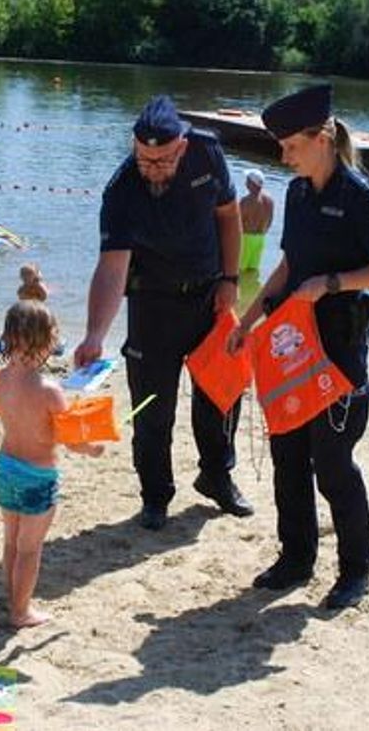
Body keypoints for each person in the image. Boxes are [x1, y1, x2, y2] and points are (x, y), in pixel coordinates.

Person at [227, 84, 369, 610]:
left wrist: (329, 284)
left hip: (339, 350)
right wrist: (249, 317)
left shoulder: (359, 197)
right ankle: (296, 558)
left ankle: (355, 570)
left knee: (332, 463)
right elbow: (286, 267)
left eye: (290, 145)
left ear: (322, 137)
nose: (283, 156)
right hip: (290, 347)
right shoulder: (298, 193)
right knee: (287, 456)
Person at [74, 94, 251, 531]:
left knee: (220, 397)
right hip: (152, 305)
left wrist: (231, 280)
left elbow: (229, 217)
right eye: (144, 159)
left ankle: (216, 476)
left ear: (182, 147)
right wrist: (95, 334)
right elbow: (111, 268)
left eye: (162, 161)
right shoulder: (122, 191)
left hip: (210, 298)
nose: (152, 169)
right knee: (152, 409)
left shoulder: (208, 153)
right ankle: (155, 495)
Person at [0, 293, 103, 628]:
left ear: (8, 337)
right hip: (37, 477)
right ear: (48, 340)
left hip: (6, 470)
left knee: (12, 541)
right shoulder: (50, 390)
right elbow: (70, 440)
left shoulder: (1, 379)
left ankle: (13, 598)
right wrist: (92, 449)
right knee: (30, 549)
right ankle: (21, 612)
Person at [239, 168, 274, 272]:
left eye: (247, 180)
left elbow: (237, 224)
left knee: (238, 272)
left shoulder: (245, 201)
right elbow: (270, 221)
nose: (245, 182)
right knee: (252, 272)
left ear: (252, 183)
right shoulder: (270, 200)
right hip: (260, 239)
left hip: (246, 239)